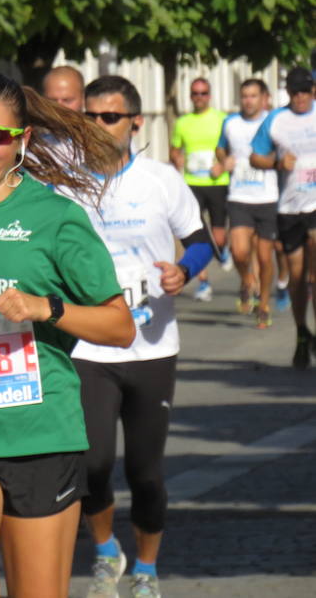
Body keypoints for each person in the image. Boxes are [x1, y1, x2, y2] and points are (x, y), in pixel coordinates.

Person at [0, 73, 135, 598]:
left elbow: (120, 326)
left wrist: (46, 307)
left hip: (41, 435)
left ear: (22, 141)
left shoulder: (55, 218)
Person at [69, 76, 212, 598]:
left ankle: (147, 571)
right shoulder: (66, 181)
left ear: (136, 122)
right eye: (90, 116)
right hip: (88, 345)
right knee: (92, 463)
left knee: (146, 473)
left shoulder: (160, 179)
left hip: (152, 345)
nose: (99, 126)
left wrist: (183, 271)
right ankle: (107, 552)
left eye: (110, 117)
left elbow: (201, 241)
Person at [251, 66, 316, 369]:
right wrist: (276, 161)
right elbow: (255, 156)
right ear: (288, 92)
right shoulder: (276, 120)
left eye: (305, 91)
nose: (300, 97)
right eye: (295, 92)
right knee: (298, 277)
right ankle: (302, 332)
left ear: (312, 91)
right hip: (289, 208)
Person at [216, 79, 278, 328]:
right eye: (244, 96)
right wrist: (225, 160)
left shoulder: (274, 121)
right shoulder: (231, 123)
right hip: (239, 195)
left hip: (267, 196)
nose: (248, 101)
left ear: (264, 97)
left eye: (253, 96)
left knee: (265, 257)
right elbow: (220, 149)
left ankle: (263, 304)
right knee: (239, 251)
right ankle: (246, 278)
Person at [170, 77, 229, 301]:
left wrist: (222, 165)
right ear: (190, 96)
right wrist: (176, 158)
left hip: (217, 182)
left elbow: (232, 150)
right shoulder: (183, 122)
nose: (199, 97)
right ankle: (203, 282)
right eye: (195, 93)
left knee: (219, 237)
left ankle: (223, 250)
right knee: (195, 235)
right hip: (192, 183)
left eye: (203, 93)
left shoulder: (222, 119)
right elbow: (174, 149)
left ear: (210, 95)